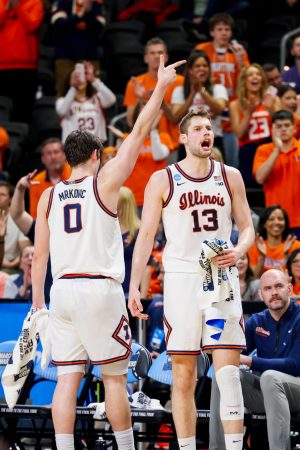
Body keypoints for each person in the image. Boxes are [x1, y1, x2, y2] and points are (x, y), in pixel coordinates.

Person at [31, 55, 185, 450]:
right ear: (97, 156)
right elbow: (138, 132)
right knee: (114, 378)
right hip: (99, 290)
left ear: (67, 158)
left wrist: (38, 307)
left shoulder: (48, 196)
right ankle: (126, 446)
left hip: (61, 293)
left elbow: (39, 259)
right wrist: (163, 86)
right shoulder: (103, 184)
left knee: (67, 380)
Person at [129, 108, 255, 450]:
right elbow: (145, 236)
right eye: (199, 128)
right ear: (183, 138)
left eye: (210, 128)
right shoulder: (163, 179)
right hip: (182, 280)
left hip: (222, 279)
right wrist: (134, 285)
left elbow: (247, 227)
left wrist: (239, 249)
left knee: (228, 375)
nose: (207, 133)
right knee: (183, 376)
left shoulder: (230, 176)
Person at [209, 269, 300, 450]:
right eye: (267, 288)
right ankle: (218, 448)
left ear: (289, 289)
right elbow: (233, 354)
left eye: (279, 286)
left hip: (295, 388)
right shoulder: (257, 321)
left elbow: (295, 365)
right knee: (223, 375)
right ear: (261, 294)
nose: (273, 292)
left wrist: (249, 361)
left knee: (270, 377)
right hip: (268, 392)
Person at [195, 12, 250, 168]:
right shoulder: (202, 49)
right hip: (208, 105)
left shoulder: (238, 52)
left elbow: (249, 79)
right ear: (212, 32)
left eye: (227, 29)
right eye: (220, 29)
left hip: (231, 108)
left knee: (231, 160)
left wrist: (240, 63)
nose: (224, 33)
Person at [123, 37, 184, 148]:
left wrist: (157, 97)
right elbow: (131, 121)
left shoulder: (179, 81)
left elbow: (177, 119)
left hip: (173, 143)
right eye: (152, 53)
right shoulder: (134, 84)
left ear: (166, 57)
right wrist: (140, 99)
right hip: (145, 145)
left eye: (160, 52)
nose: (156, 56)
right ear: (146, 58)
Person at [229, 63, 280, 187]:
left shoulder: (273, 100)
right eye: (250, 75)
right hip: (248, 152)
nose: (254, 77)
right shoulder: (235, 105)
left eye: (258, 74)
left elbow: (282, 127)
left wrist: (271, 110)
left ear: (262, 80)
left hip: (270, 149)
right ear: (244, 81)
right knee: (250, 192)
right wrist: (248, 113)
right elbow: (239, 134)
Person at [253, 110, 300, 238]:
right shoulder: (263, 150)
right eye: (278, 126)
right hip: (275, 221)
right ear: (272, 128)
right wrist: (277, 149)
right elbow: (260, 178)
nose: (283, 129)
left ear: (294, 128)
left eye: (287, 125)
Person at [170, 50, 228, 151]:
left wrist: (201, 90)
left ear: (209, 69)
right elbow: (175, 118)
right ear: (190, 70)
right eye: (197, 66)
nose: (202, 68)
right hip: (188, 143)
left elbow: (219, 110)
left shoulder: (218, 88)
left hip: (213, 142)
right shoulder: (179, 91)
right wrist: (192, 95)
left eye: (205, 66)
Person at [0, 0, 44, 122]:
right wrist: (6, 9)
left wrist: (19, 8)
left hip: (26, 68)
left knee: (23, 112)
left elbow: (33, 25)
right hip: (2, 67)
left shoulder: (35, 3)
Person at [51, 0, 105, 98]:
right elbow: (58, 26)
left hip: (90, 57)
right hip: (65, 57)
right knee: (63, 94)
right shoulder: (62, 3)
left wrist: (89, 13)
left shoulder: (95, 5)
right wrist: (78, 16)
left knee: (95, 94)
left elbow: (99, 29)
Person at [56, 60, 116, 143]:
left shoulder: (97, 98)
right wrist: (73, 88)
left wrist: (93, 79)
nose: (79, 80)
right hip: (74, 149)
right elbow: (62, 111)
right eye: (75, 77)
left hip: (96, 147)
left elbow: (112, 99)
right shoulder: (62, 101)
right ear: (69, 81)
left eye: (82, 76)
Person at [248, 205, 300, 278]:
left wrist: (287, 256)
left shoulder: (296, 246)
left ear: (285, 223)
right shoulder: (255, 247)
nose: (276, 222)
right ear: (264, 224)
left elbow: (296, 278)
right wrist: (262, 257)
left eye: (280, 219)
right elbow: (254, 278)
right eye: (271, 219)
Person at [29, 138, 71, 219]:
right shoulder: (36, 182)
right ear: (43, 159)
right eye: (49, 153)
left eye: (56, 152)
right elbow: (35, 216)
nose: (53, 156)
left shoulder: (75, 173)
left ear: (64, 155)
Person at [0, 181, 30, 271]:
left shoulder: (18, 217)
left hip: (12, 266)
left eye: (2, 195)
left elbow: (25, 249)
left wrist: (12, 264)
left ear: (10, 199)